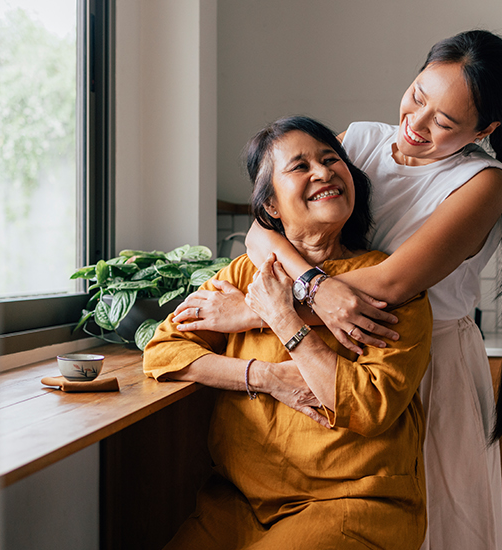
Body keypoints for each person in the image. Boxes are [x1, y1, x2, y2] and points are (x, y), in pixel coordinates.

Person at [172, 30, 502, 550]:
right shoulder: (359, 140)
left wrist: (258, 313)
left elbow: (393, 284)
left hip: (421, 359)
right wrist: (313, 287)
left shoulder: (483, 181)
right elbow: (261, 227)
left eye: (444, 122)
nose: (417, 123)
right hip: (331, 354)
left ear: (485, 129)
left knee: (434, 525)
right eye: (418, 95)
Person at [144, 115, 434, 550]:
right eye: (299, 166)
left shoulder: (390, 283)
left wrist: (283, 318)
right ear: (271, 207)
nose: (324, 171)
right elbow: (164, 350)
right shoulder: (247, 272)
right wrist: (264, 377)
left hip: (354, 504)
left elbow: (370, 405)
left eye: (331, 158)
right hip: (237, 503)